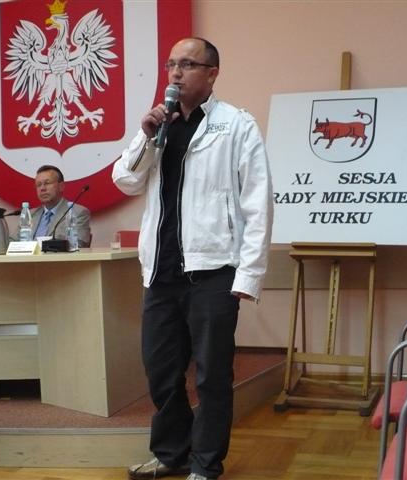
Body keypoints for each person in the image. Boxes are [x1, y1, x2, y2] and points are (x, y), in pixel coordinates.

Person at [112, 38, 273, 480]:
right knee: (161, 372)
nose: (176, 73)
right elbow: (125, 180)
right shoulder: (158, 125)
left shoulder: (236, 125)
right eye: (171, 65)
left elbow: (258, 203)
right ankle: (172, 454)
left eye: (187, 64)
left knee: (211, 376)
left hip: (214, 273)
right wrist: (146, 137)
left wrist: (249, 276)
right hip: (160, 273)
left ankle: (205, 464)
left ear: (212, 73)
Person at [15, 165, 91, 247]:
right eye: (39, 185)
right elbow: (12, 241)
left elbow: (79, 244)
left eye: (47, 183)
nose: (42, 188)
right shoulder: (30, 214)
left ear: (61, 186)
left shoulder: (77, 212)